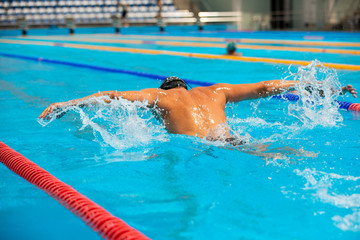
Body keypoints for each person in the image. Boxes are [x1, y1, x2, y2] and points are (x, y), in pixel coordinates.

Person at [39, 77, 357, 144]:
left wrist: (67, 104)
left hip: (193, 147)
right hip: (231, 139)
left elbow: (111, 96)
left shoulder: (159, 98)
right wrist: (319, 88)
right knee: (264, 150)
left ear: (166, 90)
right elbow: (263, 88)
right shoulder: (215, 92)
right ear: (187, 87)